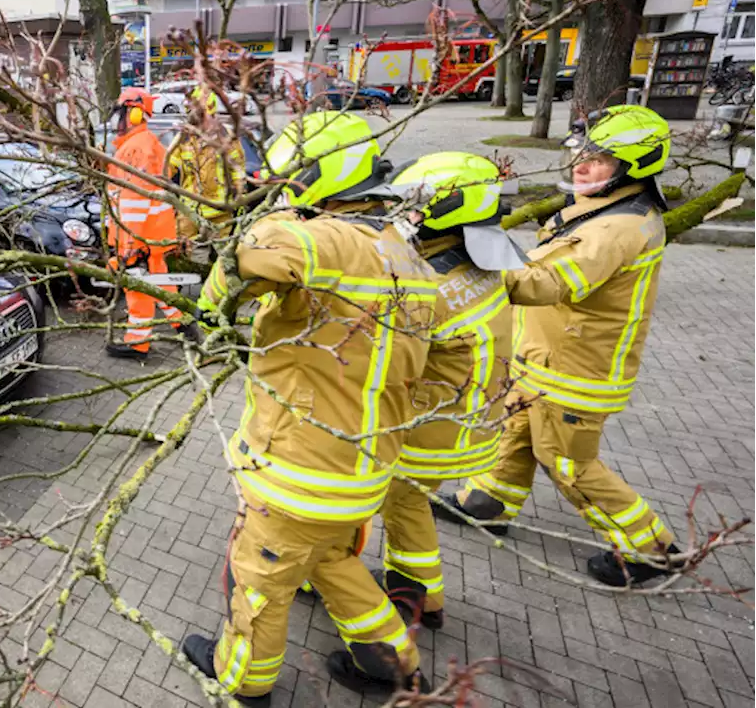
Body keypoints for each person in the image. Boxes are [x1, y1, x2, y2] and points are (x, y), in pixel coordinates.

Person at [182, 111, 433, 704]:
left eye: (290, 181)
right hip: (360, 470)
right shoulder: (407, 257)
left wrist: (211, 306)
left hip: (300, 471)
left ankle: (243, 679)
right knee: (335, 565)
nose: (284, 194)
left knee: (260, 583)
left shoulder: (328, 238)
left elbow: (257, 253)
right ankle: (391, 664)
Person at [433, 105, 680, 587]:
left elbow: (545, 281)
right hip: (546, 361)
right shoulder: (614, 207)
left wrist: (468, 262)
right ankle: (487, 502)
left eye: (600, 159)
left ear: (633, 167)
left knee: (569, 463)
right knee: (517, 430)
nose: (582, 164)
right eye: (581, 153)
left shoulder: (616, 229)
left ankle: (649, 549)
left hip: (576, 372)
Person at [353, 152, 524, 630]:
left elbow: (381, 361)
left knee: (399, 504)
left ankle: (409, 601)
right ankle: (425, 597)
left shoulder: (429, 289)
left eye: (413, 207)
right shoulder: (478, 264)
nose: (404, 216)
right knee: (412, 505)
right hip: (469, 418)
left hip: (434, 427)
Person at [105, 87, 196, 358]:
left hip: (139, 238)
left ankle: (138, 343)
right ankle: (184, 325)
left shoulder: (136, 149)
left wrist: (128, 247)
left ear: (133, 114)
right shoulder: (149, 145)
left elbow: (134, 202)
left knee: (139, 291)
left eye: (120, 112)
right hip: (154, 235)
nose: (115, 120)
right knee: (160, 284)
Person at [164, 86, 246, 243]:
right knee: (189, 254)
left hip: (220, 212)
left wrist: (238, 196)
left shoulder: (226, 138)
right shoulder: (185, 138)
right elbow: (169, 167)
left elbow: (238, 169)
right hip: (189, 211)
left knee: (220, 257)